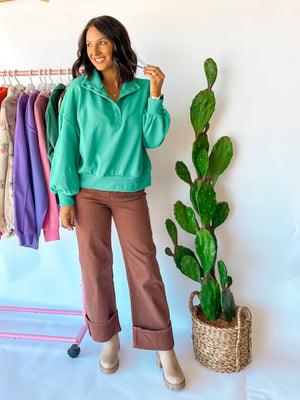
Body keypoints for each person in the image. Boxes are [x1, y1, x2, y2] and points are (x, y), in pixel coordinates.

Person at [50, 15, 185, 391]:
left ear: (117, 44)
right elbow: (66, 146)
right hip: (86, 193)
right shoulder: (77, 91)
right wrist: (65, 198)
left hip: (129, 191)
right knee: (94, 268)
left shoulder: (141, 89)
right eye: (89, 46)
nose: (95, 52)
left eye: (102, 44)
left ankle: (163, 348)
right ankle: (108, 339)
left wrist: (156, 95)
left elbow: (153, 138)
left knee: (144, 268)